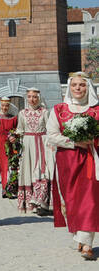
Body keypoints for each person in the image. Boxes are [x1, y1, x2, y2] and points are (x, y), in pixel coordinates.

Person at [47, 72, 99, 261]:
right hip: (67, 162)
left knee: (89, 200)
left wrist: (91, 139)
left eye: (82, 85)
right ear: (69, 87)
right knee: (70, 200)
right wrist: (74, 141)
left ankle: (87, 243)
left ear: (88, 88)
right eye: (75, 85)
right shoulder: (59, 110)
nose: (78, 88)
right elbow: (51, 135)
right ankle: (80, 234)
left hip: (90, 161)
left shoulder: (97, 110)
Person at [15, 88, 52, 214]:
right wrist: (13, 138)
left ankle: (41, 201)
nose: (32, 99)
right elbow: (20, 129)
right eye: (30, 97)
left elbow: (50, 129)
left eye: (35, 97)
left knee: (43, 172)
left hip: (42, 143)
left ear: (39, 98)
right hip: (27, 144)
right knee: (28, 171)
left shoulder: (45, 112)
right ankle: (30, 202)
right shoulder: (22, 113)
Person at [0, 97, 18, 197]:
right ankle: (5, 188)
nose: (4, 107)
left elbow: (17, 130)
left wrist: (14, 136)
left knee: (11, 165)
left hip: (10, 143)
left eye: (6, 106)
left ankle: (10, 188)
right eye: (3, 105)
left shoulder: (13, 118)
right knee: (3, 166)